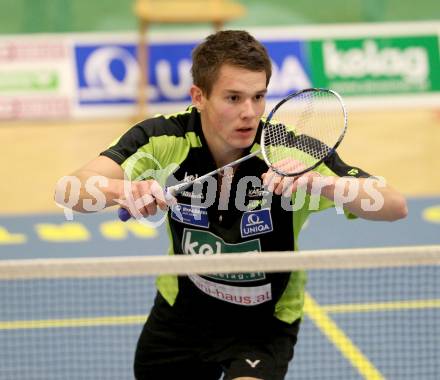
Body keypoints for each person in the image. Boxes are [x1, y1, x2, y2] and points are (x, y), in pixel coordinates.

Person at [55, 30, 407, 380]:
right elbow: (69, 190)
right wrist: (122, 191)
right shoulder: (165, 138)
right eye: (233, 98)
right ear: (200, 96)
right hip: (183, 316)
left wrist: (320, 182)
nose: (249, 113)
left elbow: (394, 205)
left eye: (258, 97)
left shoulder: (289, 152)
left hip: (263, 323)